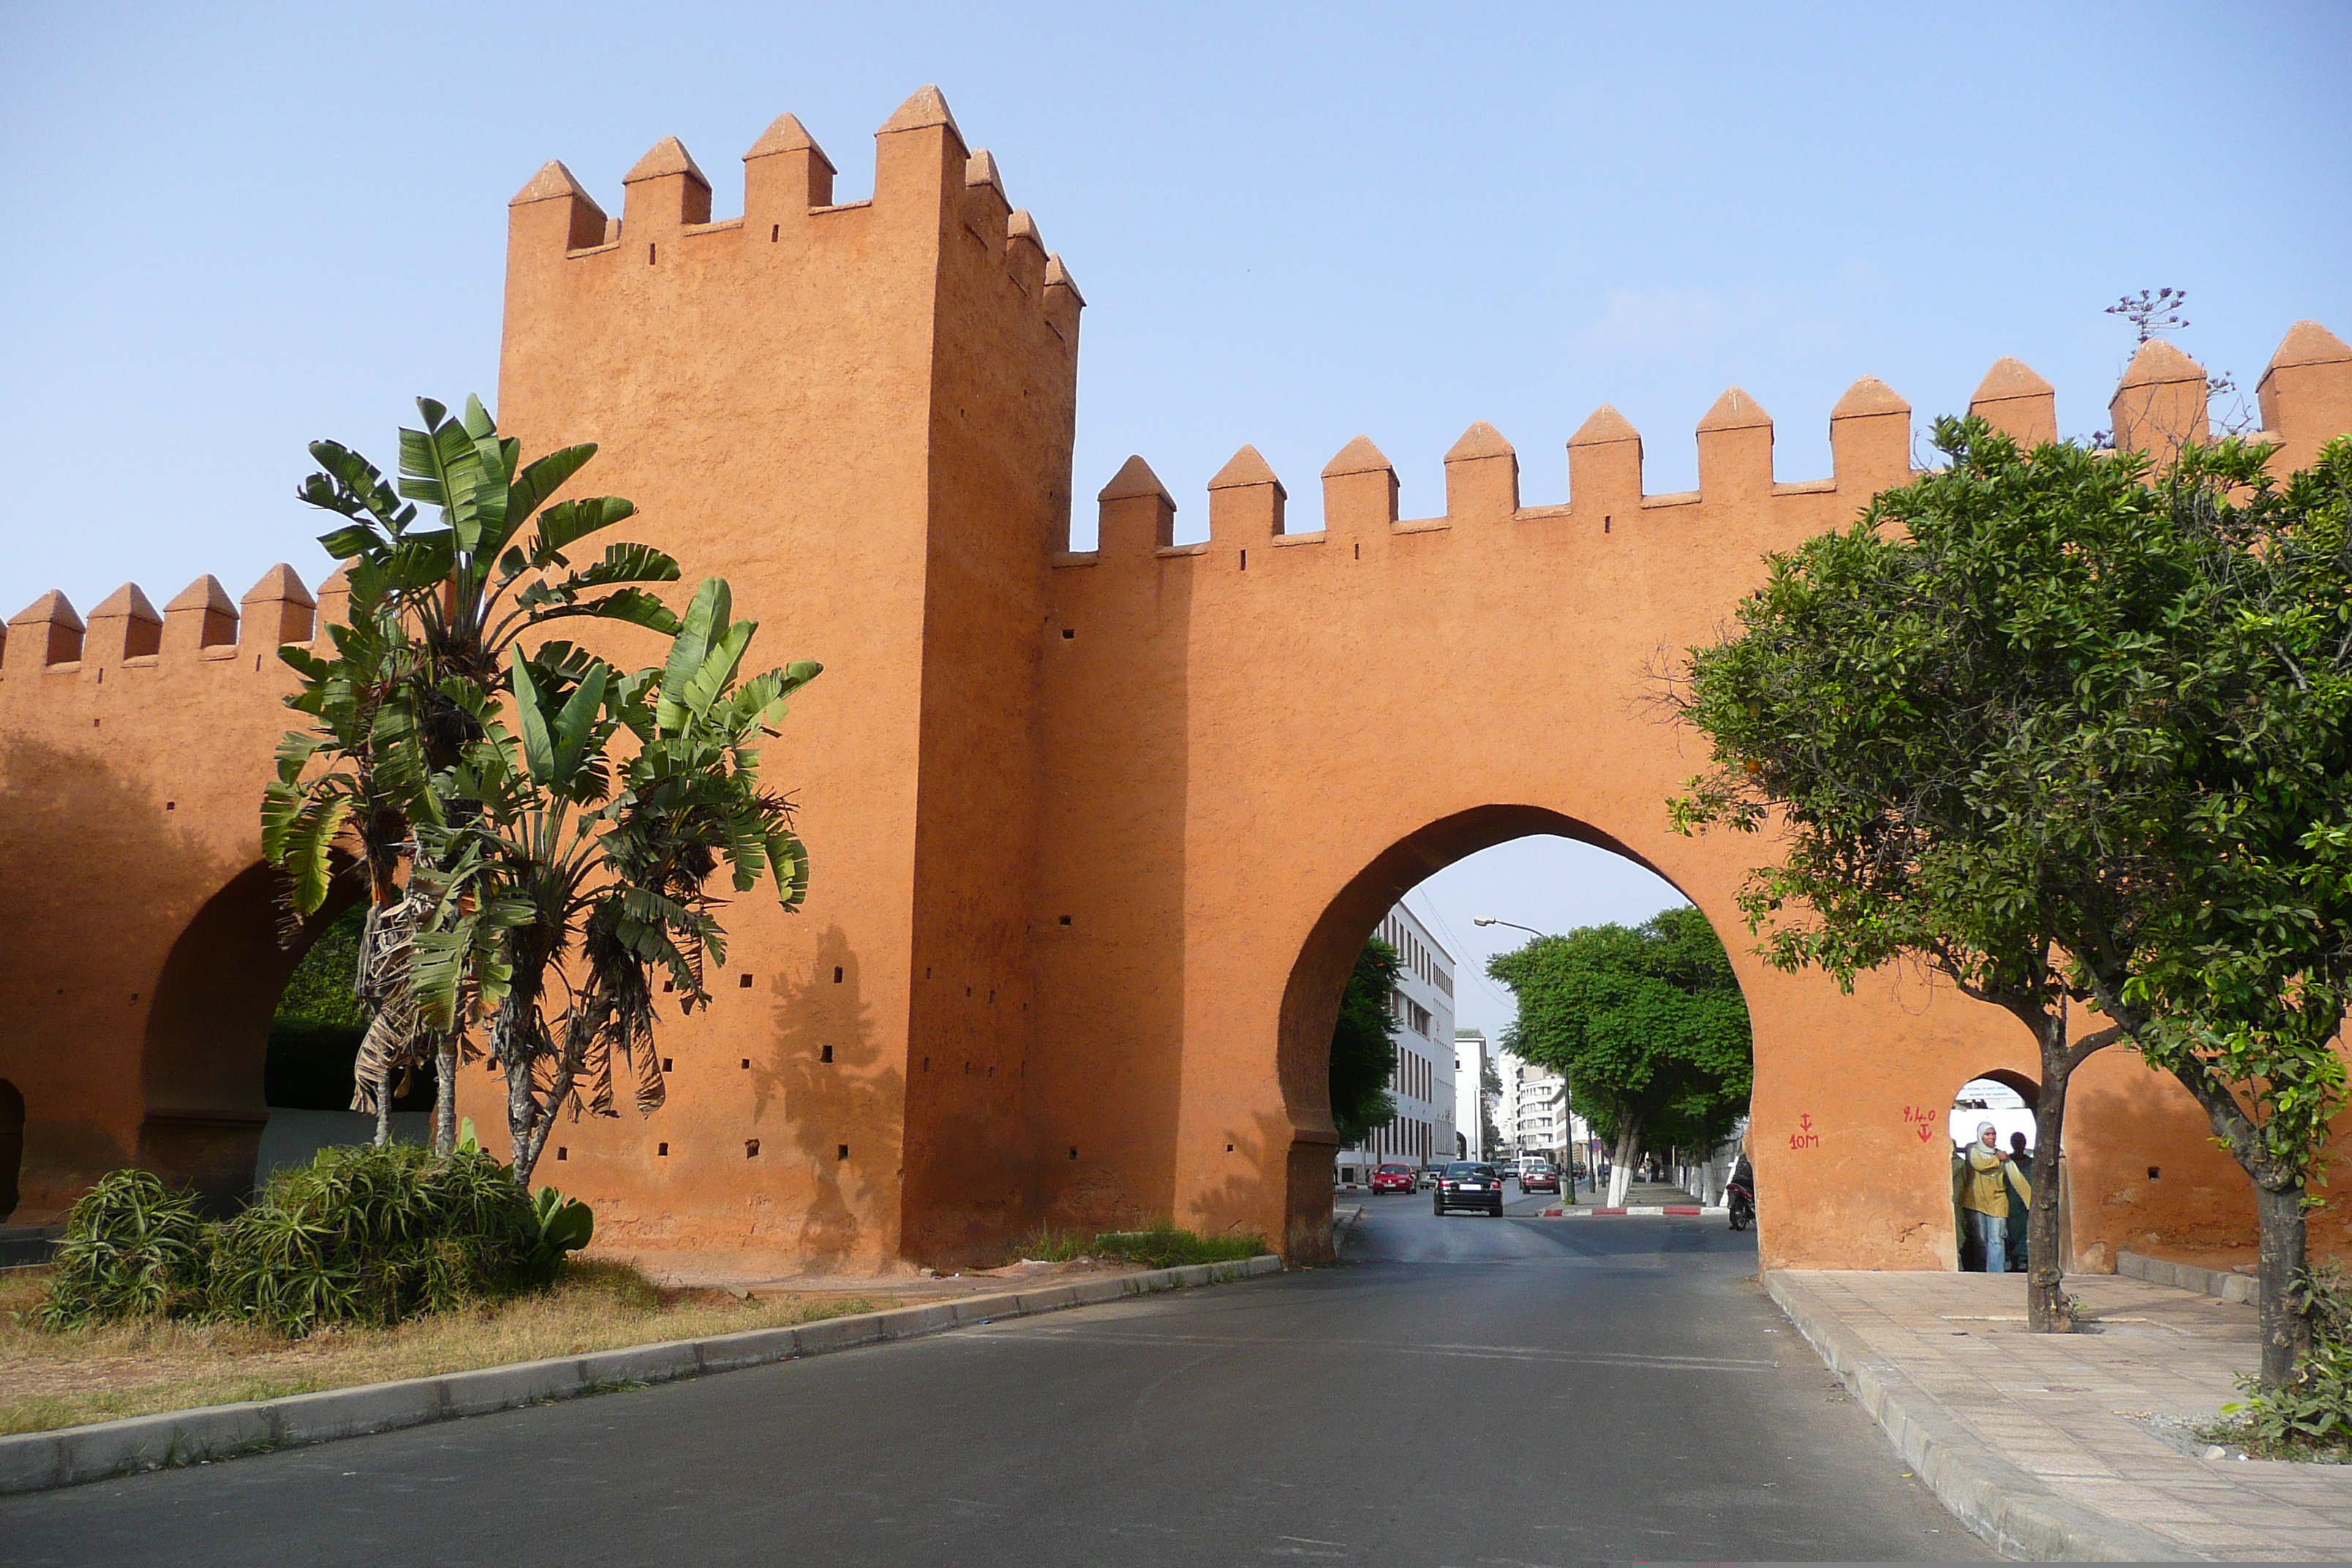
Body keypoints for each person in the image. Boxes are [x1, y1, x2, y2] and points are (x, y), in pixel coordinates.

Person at [1953, 1121, 2030, 1273]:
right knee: (1981, 1241)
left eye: (1994, 1134)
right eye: (1988, 1134)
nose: (1992, 1137)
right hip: (1975, 1202)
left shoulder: (2000, 1154)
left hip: (1997, 1201)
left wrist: (2030, 1200)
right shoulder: (1973, 1150)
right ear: (1981, 1136)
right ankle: (1982, 1271)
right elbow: (1979, 1165)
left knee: (1997, 1240)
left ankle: (1996, 1273)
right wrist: (1997, 1160)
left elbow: (2017, 1178)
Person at [2004, 1131, 2035, 1273]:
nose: (2018, 1144)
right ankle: (2014, 1262)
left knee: (2027, 1232)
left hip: (2027, 1203)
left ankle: (2027, 1261)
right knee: (2012, 1234)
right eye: (2015, 1141)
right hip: (2011, 1202)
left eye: (2021, 1141)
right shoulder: (2007, 1163)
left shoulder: (2032, 1163)